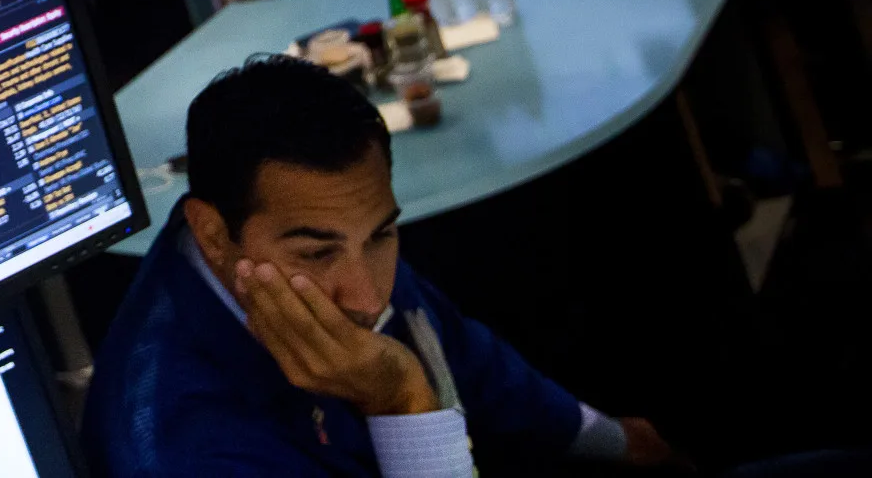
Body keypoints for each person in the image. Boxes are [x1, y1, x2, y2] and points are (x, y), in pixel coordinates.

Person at [84, 54, 676, 476]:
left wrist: (612, 441)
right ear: (213, 234)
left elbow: (467, 357)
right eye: (317, 253)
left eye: (381, 235)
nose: (369, 298)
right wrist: (401, 402)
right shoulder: (182, 446)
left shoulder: (338, 242)